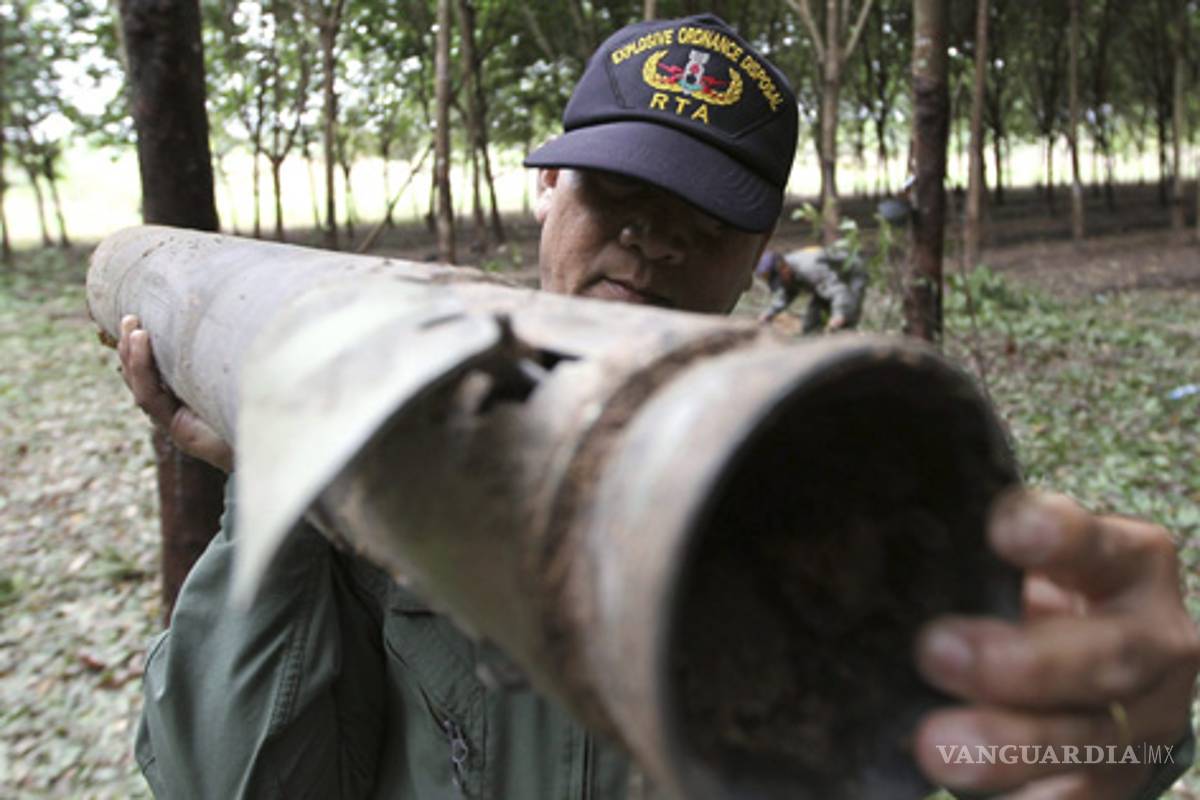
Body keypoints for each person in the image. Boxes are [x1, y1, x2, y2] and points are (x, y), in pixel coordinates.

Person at [119, 13, 1198, 800]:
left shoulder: (851, 472)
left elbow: (1025, 742)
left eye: (704, 213)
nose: (652, 238)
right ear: (548, 186)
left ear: (763, 237)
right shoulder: (397, 412)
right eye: (618, 192)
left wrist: (1121, 743)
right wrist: (289, 479)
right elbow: (220, 778)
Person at [755, 246, 868, 331]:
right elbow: (787, 293)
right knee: (810, 325)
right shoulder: (788, 272)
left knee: (845, 320)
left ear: (784, 268)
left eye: (779, 278)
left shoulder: (809, 268)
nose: (781, 282)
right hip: (825, 283)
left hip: (850, 275)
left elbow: (839, 291)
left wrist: (838, 315)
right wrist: (768, 314)